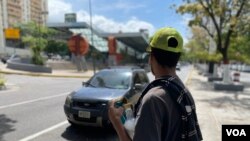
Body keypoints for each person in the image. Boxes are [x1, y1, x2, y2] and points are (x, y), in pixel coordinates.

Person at [108, 27, 203, 141]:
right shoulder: (183, 92)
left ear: (151, 57)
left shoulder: (153, 100)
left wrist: (116, 121)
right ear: (177, 59)